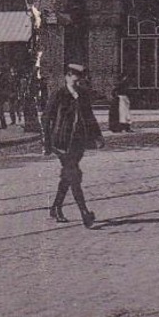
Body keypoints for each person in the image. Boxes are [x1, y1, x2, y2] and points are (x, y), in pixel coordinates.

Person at [42, 62, 104, 226]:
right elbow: (46, 119)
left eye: (80, 80)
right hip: (61, 141)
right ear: (68, 77)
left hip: (78, 142)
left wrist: (98, 136)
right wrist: (46, 142)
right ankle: (85, 213)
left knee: (68, 176)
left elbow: (89, 116)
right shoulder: (59, 94)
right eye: (75, 79)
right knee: (74, 175)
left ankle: (55, 207)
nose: (78, 83)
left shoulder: (82, 94)